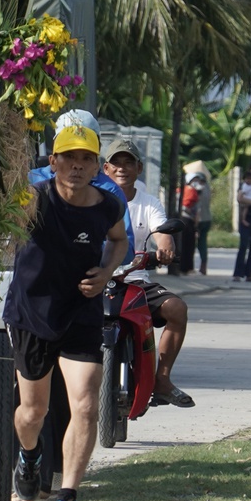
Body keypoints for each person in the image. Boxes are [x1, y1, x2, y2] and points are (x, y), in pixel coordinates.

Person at [4, 122, 129, 501]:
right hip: (32, 313)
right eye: (69, 157)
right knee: (32, 413)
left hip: (82, 311)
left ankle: (67, 500)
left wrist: (107, 273)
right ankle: (29, 457)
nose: (77, 165)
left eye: (86, 158)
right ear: (53, 161)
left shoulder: (109, 205)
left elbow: (118, 240)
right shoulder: (32, 198)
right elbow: (2, 223)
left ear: (98, 166)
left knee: (87, 405)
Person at [102, 135, 194, 408]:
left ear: (139, 168)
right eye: (115, 163)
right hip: (98, 279)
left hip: (135, 281)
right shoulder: (93, 198)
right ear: (105, 169)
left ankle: (162, 379)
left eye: (128, 163)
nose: (122, 168)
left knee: (177, 308)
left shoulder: (149, 203)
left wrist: (165, 249)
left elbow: (161, 233)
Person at [181, 161, 213, 275]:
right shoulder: (207, 187)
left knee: (191, 243)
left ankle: (190, 266)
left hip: (196, 219)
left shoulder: (194, 189)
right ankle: (202, 266)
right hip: (207, 218)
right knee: (202, 243)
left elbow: (196, 207)